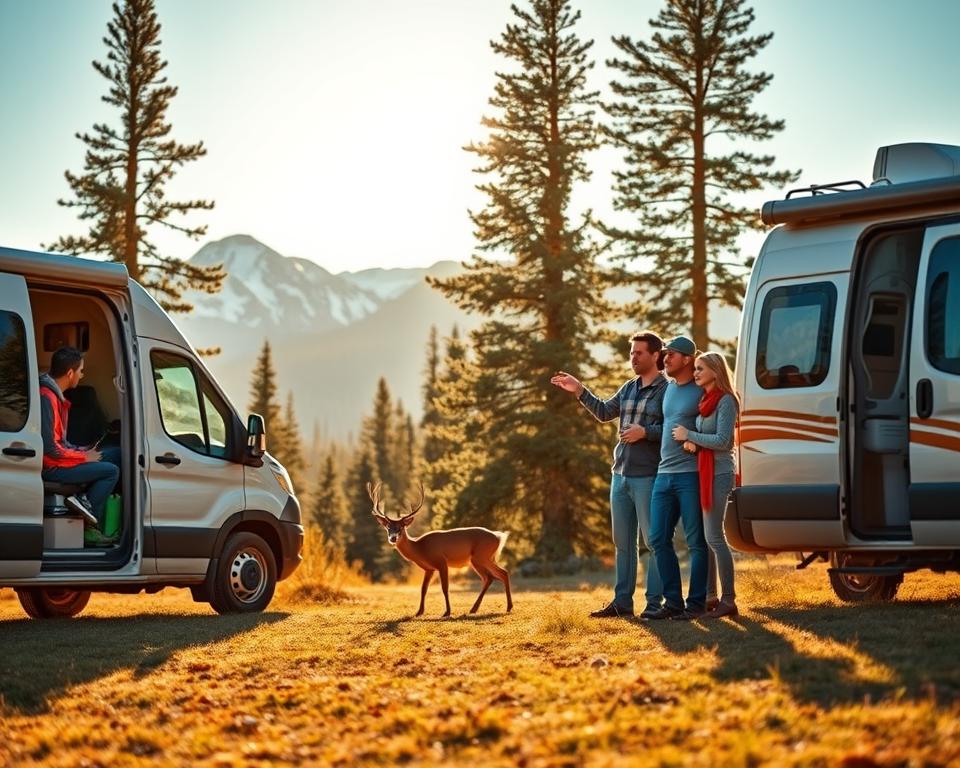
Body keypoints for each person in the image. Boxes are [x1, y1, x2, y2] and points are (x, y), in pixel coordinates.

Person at [550, 331, 667, 619]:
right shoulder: (628, 388)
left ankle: (654, 605)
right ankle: (622, 603)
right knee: (622, 543)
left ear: (656, 355)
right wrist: (579, 390)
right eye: (631, 353)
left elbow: (675, 431)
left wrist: (646, 432)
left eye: (639, 353)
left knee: (653, 543)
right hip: (621, 475)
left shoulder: (668, 390)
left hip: (648, 476)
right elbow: (603, 412)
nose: (633, 358)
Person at [672, 351, 740, 619]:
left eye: (701, 368)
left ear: (716, 370)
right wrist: (694, 443)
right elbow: (707, 437)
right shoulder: (706, 401)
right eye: (696, 368)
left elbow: (724, 441)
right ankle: (710, 596)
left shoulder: (725, 401)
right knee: (705, 537)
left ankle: (729, 599)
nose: (696, 372)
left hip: (720, 473)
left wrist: (690, 435)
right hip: (704, 472)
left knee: (714, 537)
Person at [644, 336, 708, 620]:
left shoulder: (702, 389)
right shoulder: (669, 389)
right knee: (657, 539)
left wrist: (696, 439)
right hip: (664, 474)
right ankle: (673, 603)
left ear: (687, 359)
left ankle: (696, 604)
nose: (665, 359)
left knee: (696, 542)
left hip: (690, 475)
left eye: (671, 355)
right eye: (665, 354)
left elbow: (717, 424)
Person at [40, 346, 120, 545]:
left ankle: (86, 504)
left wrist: (84, 450)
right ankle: (88, 526)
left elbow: (62, 442)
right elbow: (50, 449)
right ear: (70, 373)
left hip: (61, 461)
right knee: (111, 471)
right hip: (52, 468)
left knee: (116, 453)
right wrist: (84, 458)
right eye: (80, 371)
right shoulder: (46, 397)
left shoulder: (55, 396)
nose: (82, 375)